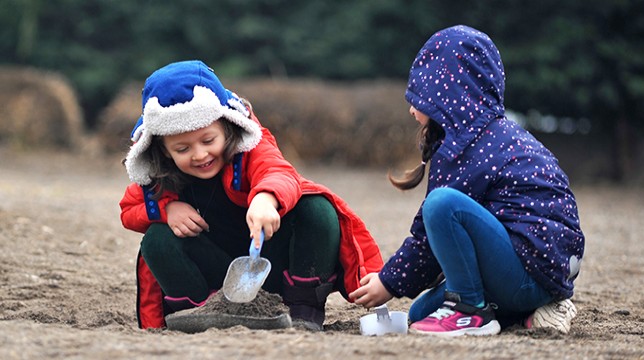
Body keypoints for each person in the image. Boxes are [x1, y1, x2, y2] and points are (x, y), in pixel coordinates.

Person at [348, 25, 584, 336]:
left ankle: (471, 312)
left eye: (422, 96)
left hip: (527, 272)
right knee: (420, 312)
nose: (411, 108)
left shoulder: (467, 145)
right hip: (546, 274)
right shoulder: (494, 135)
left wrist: (388, 281)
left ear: (448, 95)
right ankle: (532, 310)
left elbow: (429, 240)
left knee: (442, 204)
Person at [119, 60, 383, 331]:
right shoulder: (159, 175)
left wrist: (265, 198)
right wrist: (167, 209)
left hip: (273, 267)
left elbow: (278, 172)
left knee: (316, 207)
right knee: (156, 240)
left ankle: (303, 311)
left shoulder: (251, 146)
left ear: (228, 126)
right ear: (164, 150)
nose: (199, 155)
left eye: (208, 141)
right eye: (183, 149)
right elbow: (129, 210)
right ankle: (198, 314)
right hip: (216, 277)